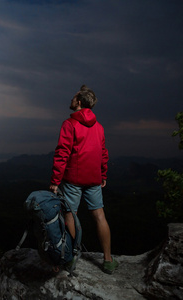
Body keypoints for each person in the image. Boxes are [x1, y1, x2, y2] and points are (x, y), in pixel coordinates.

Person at [49, 84, 118, 274]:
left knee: (70, 216)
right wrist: (103, 174)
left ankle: (70, 259)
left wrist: (55, 180)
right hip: (94, 179)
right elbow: (103, 153)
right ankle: (108, 260)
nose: (71, 100)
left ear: (79, 102)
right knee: (99, 216)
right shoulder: (99, 127)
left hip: (73, 179)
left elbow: (63, 153)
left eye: (73, 97)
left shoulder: (69, 124)